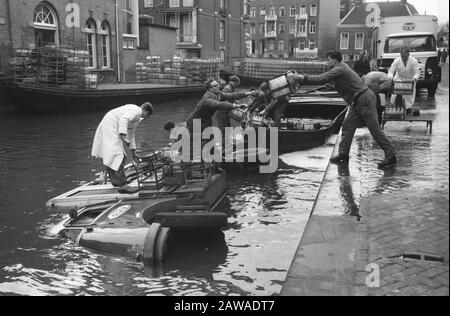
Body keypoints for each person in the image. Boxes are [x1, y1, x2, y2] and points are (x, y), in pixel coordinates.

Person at [295, 50, 397, 169]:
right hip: (357, 100)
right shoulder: (342, 67)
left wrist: (301, 77)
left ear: (335, 60)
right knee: (347, 126)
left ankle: (391, 155)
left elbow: (322, 78)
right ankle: (343, 154)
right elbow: (340, 82)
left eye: (329, 60)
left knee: (375, 130)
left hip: (363, 99)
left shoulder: (339, 69)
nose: (327, 62)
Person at [92, 102, 154, 194]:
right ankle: (122, 185)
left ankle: (118, 182)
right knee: (117, 155)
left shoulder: (135, 118)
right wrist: (123, 136)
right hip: (111, 124)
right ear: (145, 111)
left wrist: (133, 152)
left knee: (119, 156)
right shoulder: (137, 111)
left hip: (113, 125)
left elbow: (131, 135)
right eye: (147, 116)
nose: (146, 118)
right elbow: (123, 119)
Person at [389, 47, 420, 114]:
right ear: (400, 55)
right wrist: (391, 77)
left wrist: (415, 78)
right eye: (402, 56)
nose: (404, 58)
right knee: (395, 94)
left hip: (410, 80)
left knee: (409, 96)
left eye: (405, 56)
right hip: (399, 79)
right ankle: (395, 108)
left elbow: (417, 72)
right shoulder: (396, 61)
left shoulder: (413, 61)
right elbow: (391, 71)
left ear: (408, 55)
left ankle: (408, 109)